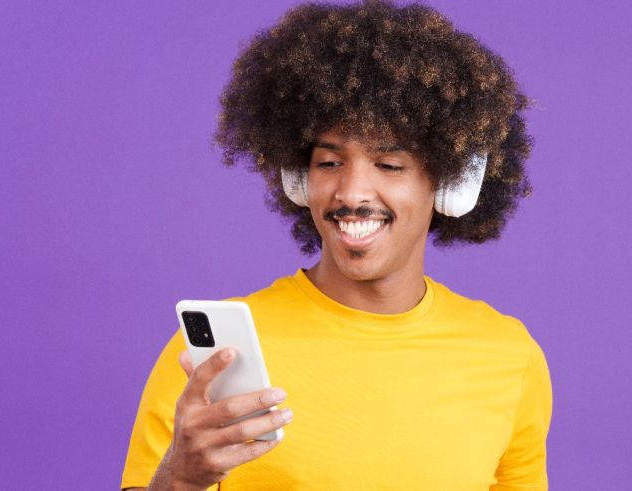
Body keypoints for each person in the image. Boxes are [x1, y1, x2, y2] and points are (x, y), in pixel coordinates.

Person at [121, 1, 552, 489]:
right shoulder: (212, 357)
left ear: (453, 184)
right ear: (297, 179)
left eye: (389, 165)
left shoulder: (508, 354)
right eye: (329, 163)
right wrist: (179, 479)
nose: (351, 193)